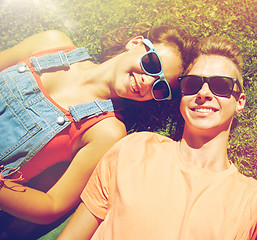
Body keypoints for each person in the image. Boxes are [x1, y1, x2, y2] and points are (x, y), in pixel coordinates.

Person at [58, 35, 257, 240]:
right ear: (182, 97)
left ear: (239, 101)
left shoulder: (253, 198)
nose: (204, 93)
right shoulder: (134, 148)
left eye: (220, 85)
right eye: (192, 84)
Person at [0, 24, 196, 239]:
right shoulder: (51, 43)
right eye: (152, 64)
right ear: (136, 43)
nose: (147, 81)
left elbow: (52, 205)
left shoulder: (106, 131)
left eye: (160, 86)